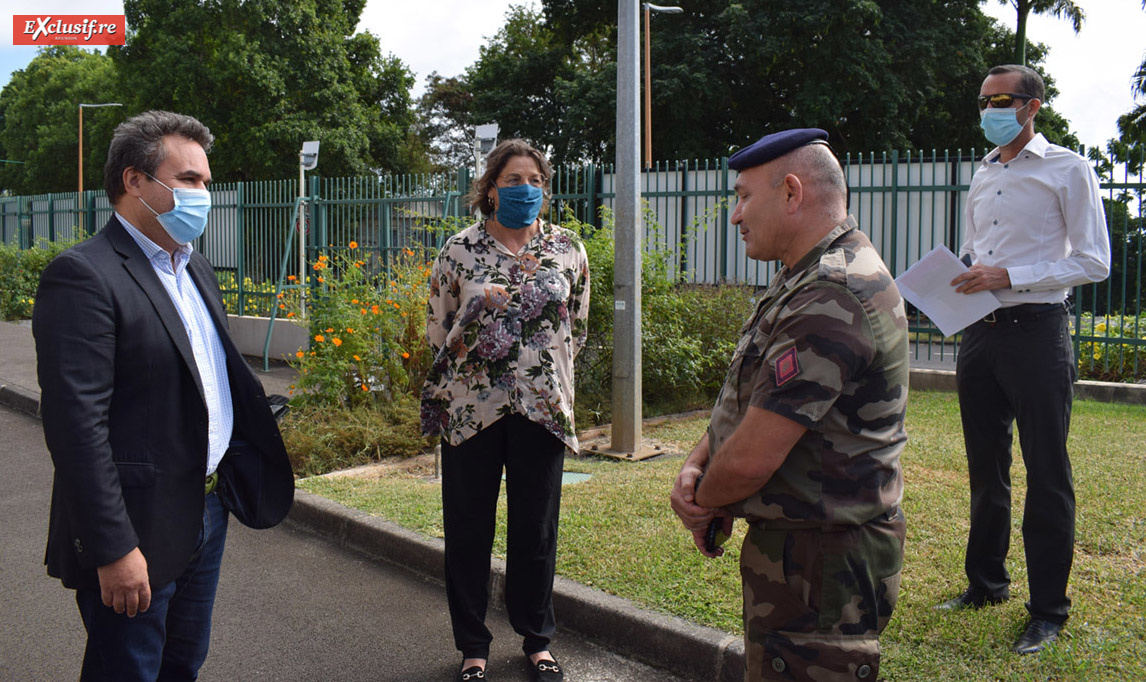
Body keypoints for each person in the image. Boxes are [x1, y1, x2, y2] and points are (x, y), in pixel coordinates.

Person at [33, 110, 295, 681]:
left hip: (206, 508)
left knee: (182, 665)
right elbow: (77, 428)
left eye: (206, 180)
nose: (206, 193)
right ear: (134, 181)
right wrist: (113, 548)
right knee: (126, 670)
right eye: (189, 180)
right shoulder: (83, 276)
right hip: (135, 526)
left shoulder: (195, 266)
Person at [670, 128, 909, 682]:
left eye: (743, 196)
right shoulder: (802, 278)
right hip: (803, 552)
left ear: (793, 192)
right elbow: (750, 397)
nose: (735, 215)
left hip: (822, 564)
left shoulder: (832, 292)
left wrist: (702, 501)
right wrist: (696, 464)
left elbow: (755, 455)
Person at [938, 64, 1110, 654]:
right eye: (983, 99)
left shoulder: (1068, 168)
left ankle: (1048, 611)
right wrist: (961, 271)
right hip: (980, 334)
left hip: (1037, 333)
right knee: (986, 469)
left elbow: (1094, 261)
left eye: (1001, 99)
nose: (989, 109)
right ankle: (985, 584)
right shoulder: (983, 173)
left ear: (1032, 106)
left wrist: (1012, 274)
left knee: (1047, 473)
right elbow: (977, 250)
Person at [421, 139, 590, 682]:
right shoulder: (460, 251)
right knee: (468, 530)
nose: (526, 190)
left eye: (536, 180)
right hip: (473, 411)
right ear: (491, 188)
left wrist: (542, 372)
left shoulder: (568, 250)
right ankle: (473, 647)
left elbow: (576, 328)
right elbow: (437, 328)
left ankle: (537, 641)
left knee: (536, 530)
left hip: (542, 409)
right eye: (514, 180)